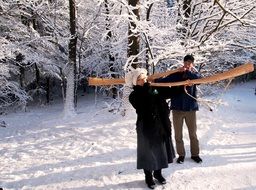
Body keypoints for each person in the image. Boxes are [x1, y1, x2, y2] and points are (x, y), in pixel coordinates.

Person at [127, 68, 176, 189]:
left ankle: (158, 174)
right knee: (148, 152)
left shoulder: (154, 89)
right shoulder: (134, 95)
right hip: (145, 127)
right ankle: (148, 177)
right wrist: (148, 89)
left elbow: (168, 94)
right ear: (135, 81)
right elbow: (143, 105)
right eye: (140, 79)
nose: (144, 80)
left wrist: (184, 84)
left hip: (160, 125)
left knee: (160, 150)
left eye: (145, 77)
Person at [156, 54, 202, 164]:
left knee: (193, 134)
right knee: (178, 135)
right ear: (183, 63)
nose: (187, 65)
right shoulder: (177, 74)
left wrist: (188, 73)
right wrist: (155, 79)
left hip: (191, 109)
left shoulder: (194, 74)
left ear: (192, 64)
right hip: (177, 109)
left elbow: (200, 80)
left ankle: (195, 154)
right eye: (185, 63)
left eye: (189, 63)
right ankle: (181, 155)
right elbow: (163, 81)